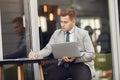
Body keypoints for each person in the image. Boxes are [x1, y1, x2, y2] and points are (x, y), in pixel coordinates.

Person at [29, 8, 95, 80]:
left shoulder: (83, 34)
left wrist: (76, 56)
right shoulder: (57, 33)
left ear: (73, 21)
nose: (62, 25)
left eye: (65, 22)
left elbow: (91, 55)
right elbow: (48, 49)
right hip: (64, 65)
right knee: (49, 76)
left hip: (80, 64)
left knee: (83, 77)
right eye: (61, 22)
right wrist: (36, 54)